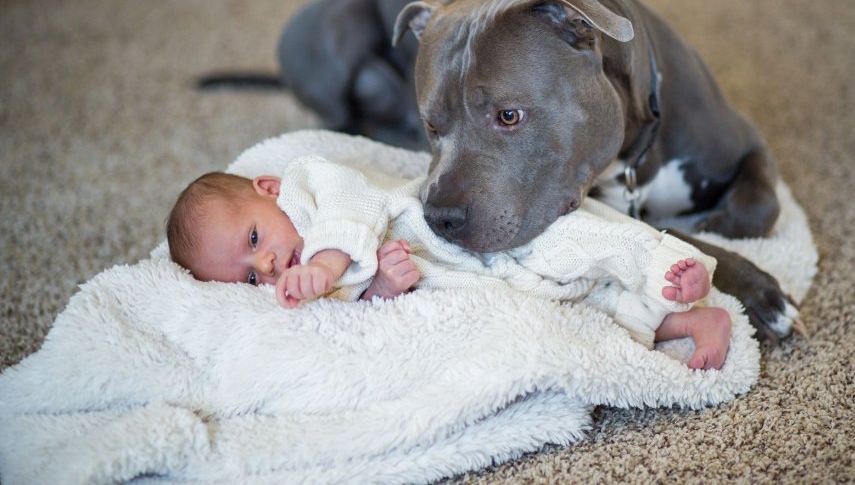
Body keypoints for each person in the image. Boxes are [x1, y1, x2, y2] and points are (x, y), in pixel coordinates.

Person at [167, 156, 732, 369]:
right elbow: (364, 309)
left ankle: (663, 264)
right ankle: (685, 319)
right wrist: (384, 284)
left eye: (254, 237)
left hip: (474, 229)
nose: (265, 263)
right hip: (465, 275)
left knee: (569, 243)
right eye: (247, 275)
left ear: (268, 189)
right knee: (566, 302)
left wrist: (329, 261)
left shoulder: (308, 186)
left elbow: (354, 202)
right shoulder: (306, 283)